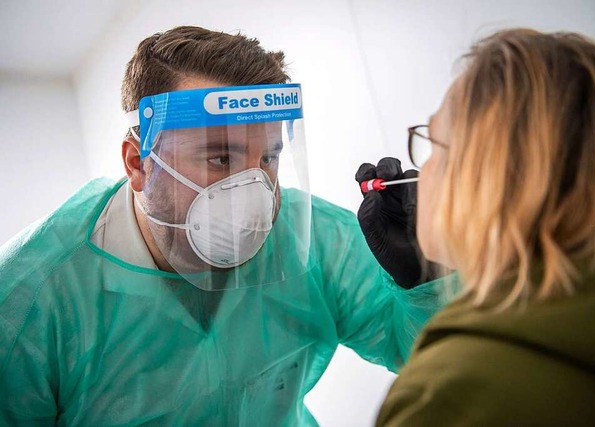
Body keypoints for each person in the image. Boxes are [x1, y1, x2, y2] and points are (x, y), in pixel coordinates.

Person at [0, 26, 451, 426]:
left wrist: (427, 278)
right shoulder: (29, 303)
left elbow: (434, 355)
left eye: (267, 158)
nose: (253, 191)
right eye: (220, 158)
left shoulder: (311, 238)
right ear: (138, 163)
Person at [377, 28, 595, 426]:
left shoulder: (445, 399)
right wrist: (429, 284)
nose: (422, 170)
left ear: (502, 175)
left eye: (434, 144)